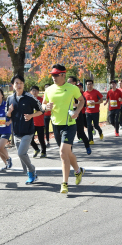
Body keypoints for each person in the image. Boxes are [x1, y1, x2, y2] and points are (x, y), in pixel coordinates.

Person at [43, 64, 85, 194]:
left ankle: (64, 183)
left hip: (69, 124)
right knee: (67, 153)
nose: (53, 77)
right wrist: (46, 107)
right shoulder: (49, 90)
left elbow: (82, 100)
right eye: (52, 75)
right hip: (56, 125)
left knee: (62, 152)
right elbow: (43, 105)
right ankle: (78, 171)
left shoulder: (72, 88)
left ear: (63, 75)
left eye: (56, 75)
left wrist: (77, 111)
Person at [7, 75, 44, 184]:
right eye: (16, 83)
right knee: (22, 157)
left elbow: (41, 110)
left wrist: (31, 115)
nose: (19, 85)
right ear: (13, 85)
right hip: (16, 132)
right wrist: (9, 111)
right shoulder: (10, 98)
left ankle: (32, 171)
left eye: (21, 83)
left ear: (23, 84)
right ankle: (31, 172)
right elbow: (8, 115)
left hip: (28, 131)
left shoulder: (29, 97)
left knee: (21, 153)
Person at [67, 77, 91, 154]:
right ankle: (70, 153)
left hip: (77, 114)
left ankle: (87, 146)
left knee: (80, 132)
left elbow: (83, 103)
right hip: (68, 115)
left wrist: (75, 105)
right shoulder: (66, 91)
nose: (67, 83)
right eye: (67, 81)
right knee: (69, 134)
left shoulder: (77, 91)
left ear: (74, 83)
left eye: (69, 81)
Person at [0, 88, 13, 171]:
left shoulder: (7, 105)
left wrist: (10, 121)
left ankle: (8, 159)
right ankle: (6, 164)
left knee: (1, 147)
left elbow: (13, 116)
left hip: (6, 129)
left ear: (2, 95)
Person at [29, 86, 48, 158]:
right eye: (33, 91)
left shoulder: (41, 100)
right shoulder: (29, 100)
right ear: (30, 92)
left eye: (36, 91)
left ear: (38, 92)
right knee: (30, 138)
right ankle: (36, 149)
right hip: (31, 123)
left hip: (40, 123)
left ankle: (44, 152)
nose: (34, 92)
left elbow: (44, 110)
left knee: (41, 139)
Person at [83, 79, 104, 144]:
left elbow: (101, 101)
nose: (89, 85)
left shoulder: (96, 92)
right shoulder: (84, 93)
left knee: (96, 125)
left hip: (95, 112)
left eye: (90, 84)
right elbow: (82, 102)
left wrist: (95, 103)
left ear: (93, 85)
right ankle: (91, 140)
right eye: (88, 84)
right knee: (89, 126)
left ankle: (100, 132)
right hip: (88, 112)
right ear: (86, 85)